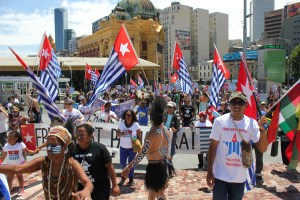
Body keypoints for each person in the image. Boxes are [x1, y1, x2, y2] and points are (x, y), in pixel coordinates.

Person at [0, 126, 93, 200]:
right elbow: (17, 169)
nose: (49, 149)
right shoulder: (43, 162)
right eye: (48, 145)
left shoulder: (72, 163)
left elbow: (88, 183)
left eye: (53, 146)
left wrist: (86, 191)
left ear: (64, 147)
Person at [206, 91, 269, 199]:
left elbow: (262, 148)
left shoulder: (252, 123)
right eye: (233, 102)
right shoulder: (219, 121)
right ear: (229, 104)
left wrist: (262, 130)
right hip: (220, 175)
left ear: (245, 105)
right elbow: (213, 147)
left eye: (240, 103)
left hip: (239, 177)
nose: (237, 106)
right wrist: (209, 171)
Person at [121, 97, 175, 200]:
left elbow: (142, 153)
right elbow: (166, 151)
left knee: (158, 193)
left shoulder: (152, 133)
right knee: (152, 193)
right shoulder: (166, 131)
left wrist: (128, 167)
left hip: (155, 167)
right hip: (163, 165)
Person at [74, 123, 120, 199]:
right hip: (81, 187)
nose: (79, 137)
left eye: (82, 134)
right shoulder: (73, 150)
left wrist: (115, 185)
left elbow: (109, 166)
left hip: (100, 186)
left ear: (90, 135)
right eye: (77, 134)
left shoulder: (99, 148)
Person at [0, 131, 38, 196]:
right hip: (10, 165)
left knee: (19, 177)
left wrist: (34, 152)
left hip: (19, 164)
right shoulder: (6, 146)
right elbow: (3, 156)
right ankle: (8, 190)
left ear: (16, 138)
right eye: (8, 138)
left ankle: (21, 188)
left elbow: (27, 151)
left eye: (11, 139)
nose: (9, 140)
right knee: (9, 179)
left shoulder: (20, 144)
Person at [117, 110, 141, 186]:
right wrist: (120, 133)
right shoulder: (121, 124)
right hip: (123, 147)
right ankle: (124, 175)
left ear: (132, 116)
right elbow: (117, 133)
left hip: (132, 148)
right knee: (122, 162)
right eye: (126, 115)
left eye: (129, 115)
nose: (127, 116)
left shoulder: (136, 125)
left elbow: (139, 136)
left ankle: (130, 179)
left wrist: (140, 147)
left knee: (131, 163)